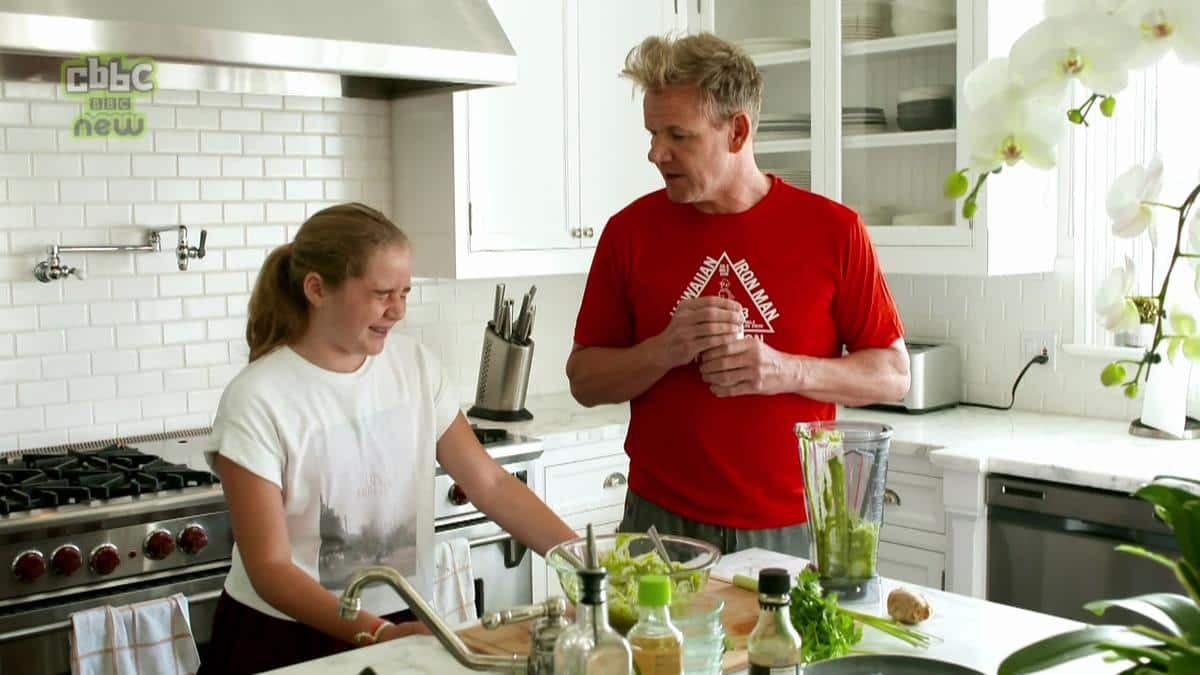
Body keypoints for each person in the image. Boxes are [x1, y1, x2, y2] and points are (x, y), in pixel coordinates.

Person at [566, 34, 911, 557]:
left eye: (678, 136)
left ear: (738, 131)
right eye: (653, 133)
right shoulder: (628, 234)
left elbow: (893, 375)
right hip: (659, 527)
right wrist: (665, 349)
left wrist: (785, 371)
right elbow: (584, 380)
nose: (656, 153)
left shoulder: (833, 231)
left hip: (794, 527)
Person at [199, 203, 577, 674]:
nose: (397, 311)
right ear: (316, 289)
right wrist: (376, 633)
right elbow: (271, 568)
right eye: (381, 294)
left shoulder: (414, 366)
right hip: (286, 634)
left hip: (401, 616)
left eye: (404, 293)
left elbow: (491, 484)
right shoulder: (258, 398)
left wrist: (581, 564)